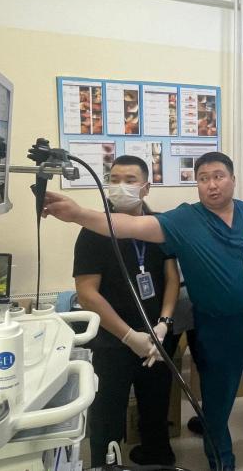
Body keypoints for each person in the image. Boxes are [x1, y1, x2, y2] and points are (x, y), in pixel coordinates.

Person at [43, 152, 243, 471]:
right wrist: (77, 213)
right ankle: (221, 459)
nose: (212, 185)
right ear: (196, 184)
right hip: (216, 324)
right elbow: (129, 225)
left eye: (218, 176)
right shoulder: (184, 220)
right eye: (203, 178)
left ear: (233, 179)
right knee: (217, 397)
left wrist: (168, 320)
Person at [72, 155, 180, 467]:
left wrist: (163, 324)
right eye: (114, 179)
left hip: (157, 338)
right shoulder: (94, 230)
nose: (121, 186)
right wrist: (129, 336)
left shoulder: (160, 226)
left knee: (156, 408)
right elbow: (87, 293)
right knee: (107, 413)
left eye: (130, 180)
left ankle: (157, 456)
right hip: (113, 340)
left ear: (146, 187)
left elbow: (172, 279)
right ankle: (105, 464)